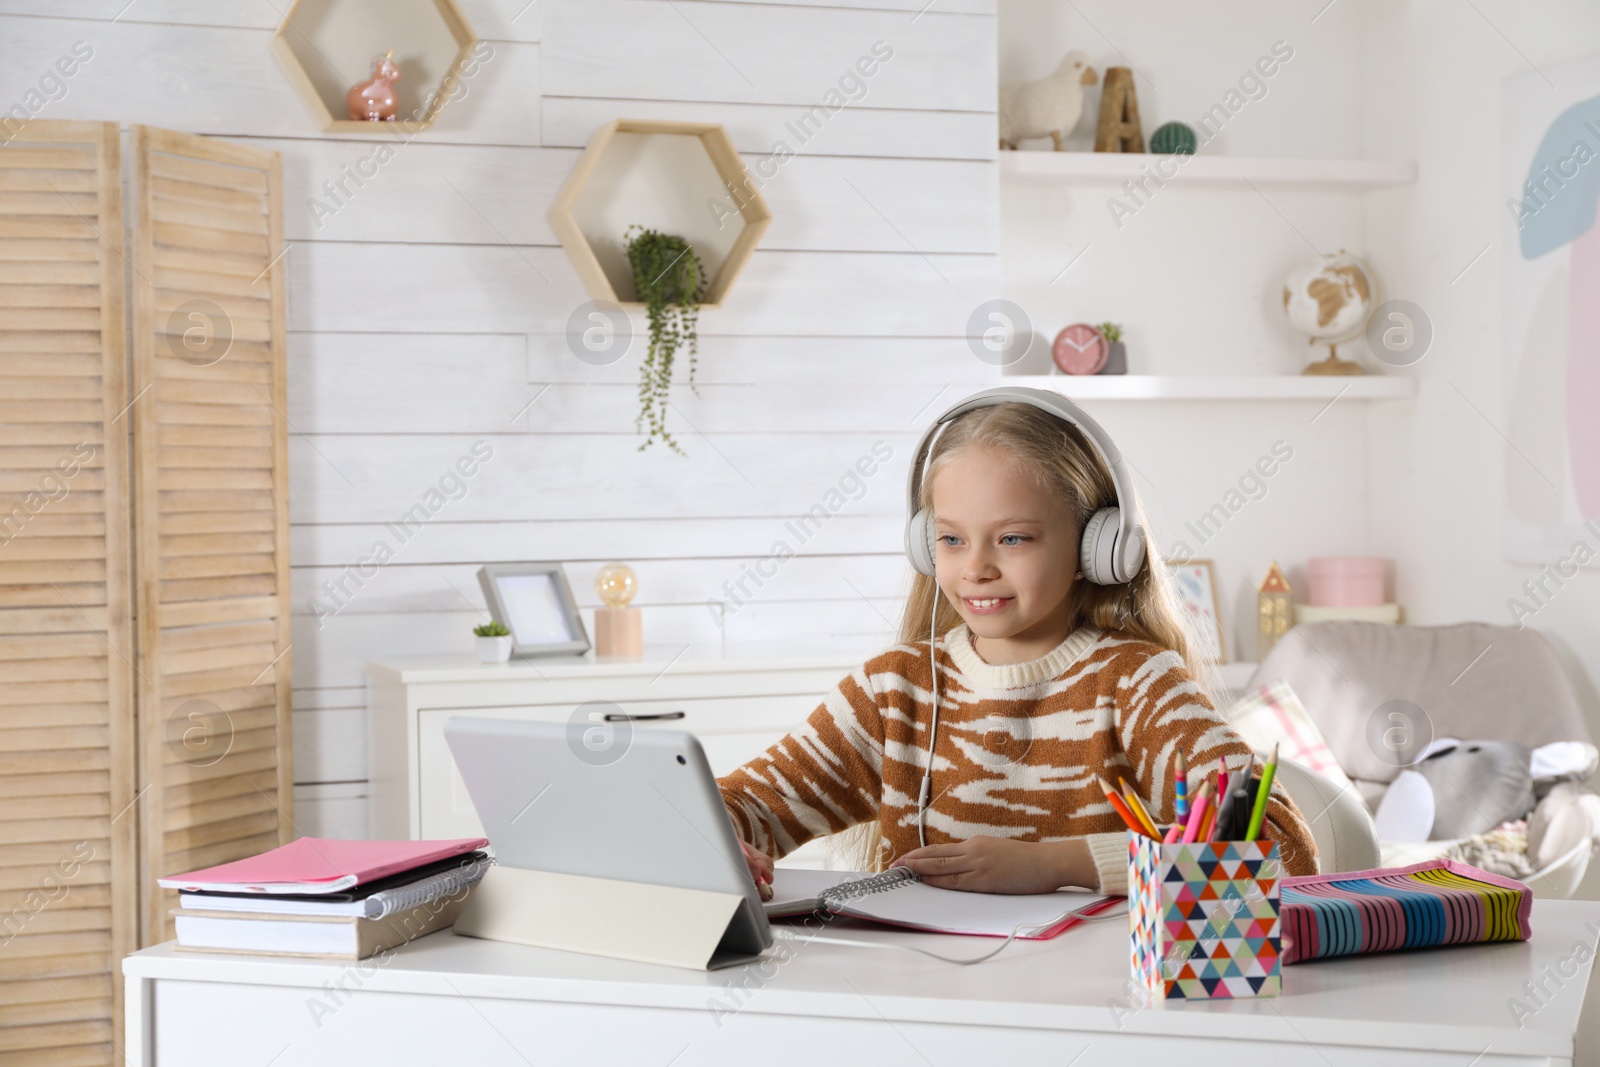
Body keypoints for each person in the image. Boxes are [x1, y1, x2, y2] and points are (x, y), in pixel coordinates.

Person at [719, 390, 1318, 899]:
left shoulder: (1139, 684)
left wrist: (1058, 864)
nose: (975, 568)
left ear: (1096, 547)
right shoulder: (894, 691)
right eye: (951, 540)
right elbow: (747, 802)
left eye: (1012, 538)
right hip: (928, 992)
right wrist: (718, 838)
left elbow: (1283, 850)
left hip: (1098, 999)